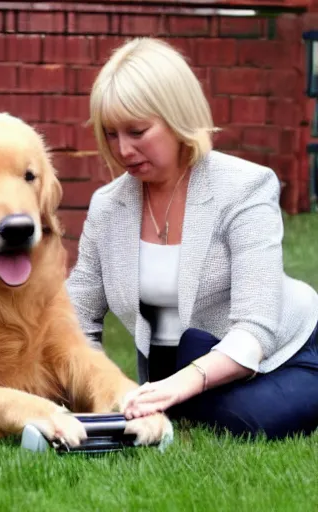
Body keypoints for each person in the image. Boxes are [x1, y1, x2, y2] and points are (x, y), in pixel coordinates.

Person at [65, 37, 318, 440]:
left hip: (288, 349)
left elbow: (255, 329)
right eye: (110, 134)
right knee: (189, 377)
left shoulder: (245, 187)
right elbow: (75, 312)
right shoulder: (107, 206)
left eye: (137, 131)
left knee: (250, 421)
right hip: (180, 360)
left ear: (178, 116)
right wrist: (103, 388)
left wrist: (177, 386)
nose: (123, 150)